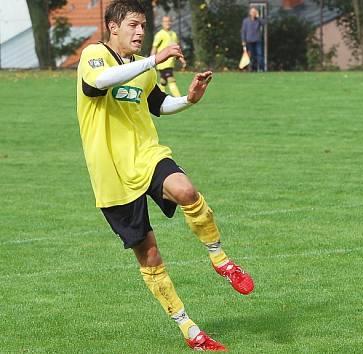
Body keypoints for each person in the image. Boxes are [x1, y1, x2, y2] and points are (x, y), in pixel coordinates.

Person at [76, 0, 254, 351]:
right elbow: (99, 81)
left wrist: (188, 99)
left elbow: (156, 104)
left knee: (186, 190)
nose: (141, 31)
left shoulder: (143, 69)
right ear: (113, 27)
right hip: (111, 172)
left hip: (147, 155)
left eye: (144, 25)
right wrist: (154, 59)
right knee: (151, 256)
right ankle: (190, 331)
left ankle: (221, 260)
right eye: (133, 25)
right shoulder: (94, 55)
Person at [151, 15, 184, 96]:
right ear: (162, 23)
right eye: (165, 21)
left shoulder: (174, 34)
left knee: (163, 81)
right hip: (163, 62)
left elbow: (176, 48)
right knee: (171, 79)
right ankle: (178, 99)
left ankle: (157, 96)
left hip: (170, 63)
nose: (167, 23)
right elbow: (154, 48)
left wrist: (181, 59)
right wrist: (151, 61)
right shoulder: (159, 35)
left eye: (169, 21)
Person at [241, 7, 265, 72]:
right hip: (249, 41)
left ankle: (261, 69)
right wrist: (243, 40)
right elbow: (243, 31)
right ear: (250, 13)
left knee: (259, 55)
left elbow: (263, 23)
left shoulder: (258, 20)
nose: (253, 13)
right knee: (252, 56)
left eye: (254, 12)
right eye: (252, 12)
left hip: (257, 40)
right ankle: (253, 69)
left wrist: (258, 17)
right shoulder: (246, 21)